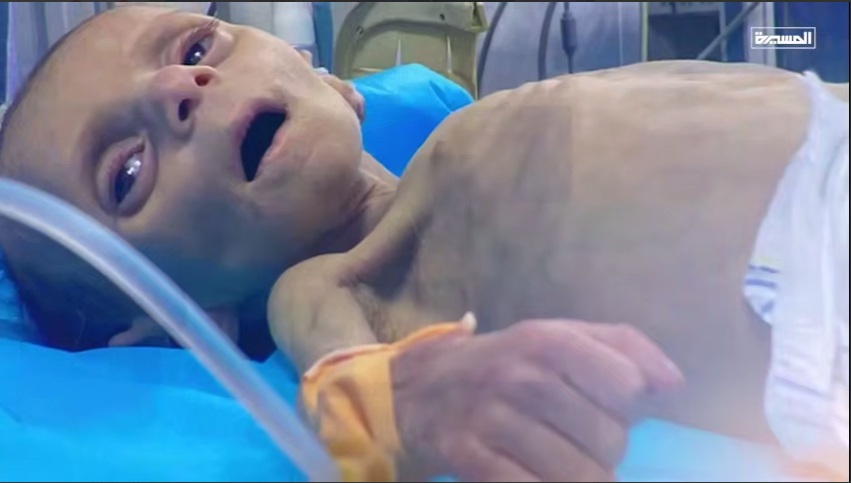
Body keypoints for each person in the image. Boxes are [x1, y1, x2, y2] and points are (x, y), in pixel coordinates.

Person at [0, 5, 845, 482]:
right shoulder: (331, 278)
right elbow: (356, 393)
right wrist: (428, 398)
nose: (180, 86)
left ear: (331, 82)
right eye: (126, 170)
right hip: (806, 297)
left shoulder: (457, 137)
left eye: (195, 45)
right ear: (177, 319)